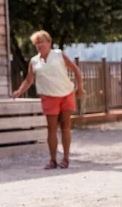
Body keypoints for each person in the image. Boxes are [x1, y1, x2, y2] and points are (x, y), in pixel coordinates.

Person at [13, 31, 85, 169]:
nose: (40, 45)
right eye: (37, 43)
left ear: (49, 42)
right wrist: (19, 91)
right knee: (51, 129)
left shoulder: (58, 54)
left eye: (42, 42)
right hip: (49, 96)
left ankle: (65, 159)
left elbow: (75, 69)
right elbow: (29, 80)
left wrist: (80, 87)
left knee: (65, 127)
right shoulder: (34, 61)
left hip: (66, 94)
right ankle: (52, 160)